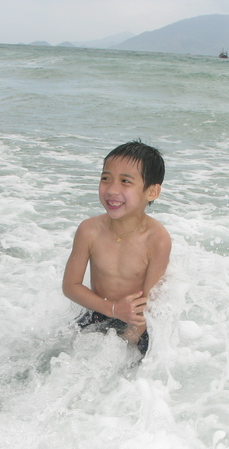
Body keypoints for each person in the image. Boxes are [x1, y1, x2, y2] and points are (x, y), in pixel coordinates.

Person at [62, 140, 171, 355]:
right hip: (99, 311)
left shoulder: (157, 239)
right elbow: (70, 286)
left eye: (125, 181)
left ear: (151, 192)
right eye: (106, 178)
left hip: (137, 322)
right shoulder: (89, 230)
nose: (112, 189)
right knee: (58, 354)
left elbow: (151, 304)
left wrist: (126, 344)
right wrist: (112, 309)